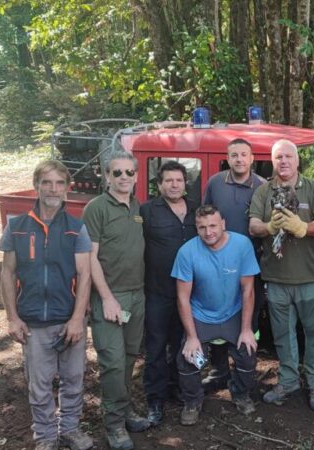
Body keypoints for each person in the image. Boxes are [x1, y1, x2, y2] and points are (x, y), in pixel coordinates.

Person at [0, 160, 93, 450]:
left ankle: (70, 429)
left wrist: (78, 319)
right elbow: (7, 272)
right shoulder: (17, 226)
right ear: (37, 185)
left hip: (68, 320)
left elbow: (85, 275)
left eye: (59, 183)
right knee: (39, 385)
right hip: (33, 323)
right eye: (47, 183)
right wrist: (12, 317)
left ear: (67, 188)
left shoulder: (77, 228)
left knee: (73, 380)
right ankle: (45, 436)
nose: (53, 189)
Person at [249, 139, 314, 411]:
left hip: (308, 278)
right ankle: (289, 379)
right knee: (283, 335)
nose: (283, 161)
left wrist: (303, 227)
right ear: (272, 161)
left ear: (297, 160)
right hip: (276, 279)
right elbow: (253, 226)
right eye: (278, 157)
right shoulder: (263, 192)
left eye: (288, 156)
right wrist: (270, 226)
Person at [82, 151, 151, 450]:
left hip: (137, 295)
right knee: (111, 362)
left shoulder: (137, 206)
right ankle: (113, 425)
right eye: (116, 173)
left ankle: (124, 411)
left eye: (128, 172)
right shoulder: (96, 208)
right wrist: (107, 298)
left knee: (129, 358)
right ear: (106, 176)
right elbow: (90, 257)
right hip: (110, 297)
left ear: (136, 176)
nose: (123, 177)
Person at [171, 205, 261, 425]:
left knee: (247, 353)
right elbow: (183, 297)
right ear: (196, 228)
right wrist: (192, 337)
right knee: (188, 358)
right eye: (202, 227)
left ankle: (240, 393)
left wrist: (247, 329)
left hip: (232, 312)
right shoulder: (187, 252)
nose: (208, 232)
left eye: (213, 225)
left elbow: (248, 290)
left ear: (223, 224)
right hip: (201, 315)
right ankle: (192, 401)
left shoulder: (241, 245)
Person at [201, 139, 267, 392]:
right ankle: (218, 371)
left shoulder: (263, 186)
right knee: (218, 313)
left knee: (250, 319)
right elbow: (205, 217)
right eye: (234, 155)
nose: (239, 159)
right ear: (227, 158)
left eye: (243, 155)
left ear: (252, 158)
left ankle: (246, 371)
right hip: (217, 262)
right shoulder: (215, 183)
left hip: (251, 264)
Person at [140, 161, 198, 425]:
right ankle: (155, 398)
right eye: (168, 181)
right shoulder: (147, 211)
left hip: (188, 293)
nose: (174, 185)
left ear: (185, 182)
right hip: (158, 291)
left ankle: (176, 387)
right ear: (159, 184)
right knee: (155, 346)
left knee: (181, 342)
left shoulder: (196, 210)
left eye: (178, 180)